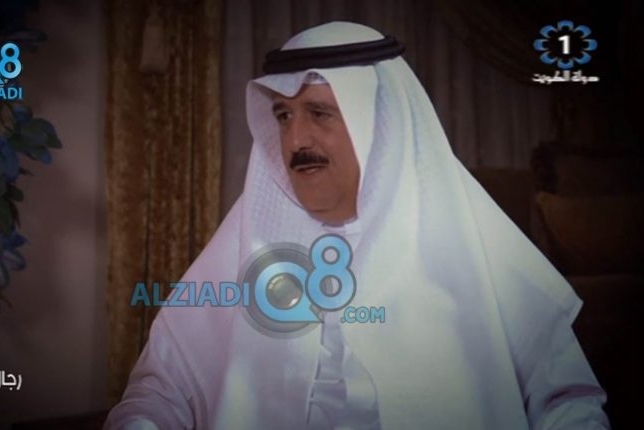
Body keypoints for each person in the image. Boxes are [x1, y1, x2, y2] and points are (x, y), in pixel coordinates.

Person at [104, 21, 609, 429]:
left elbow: (568, 401)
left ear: (379, 127)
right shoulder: (244, 244)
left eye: (319, 113)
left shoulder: (472, 240)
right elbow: (159, 392)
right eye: (284, 116)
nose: (295, 140)